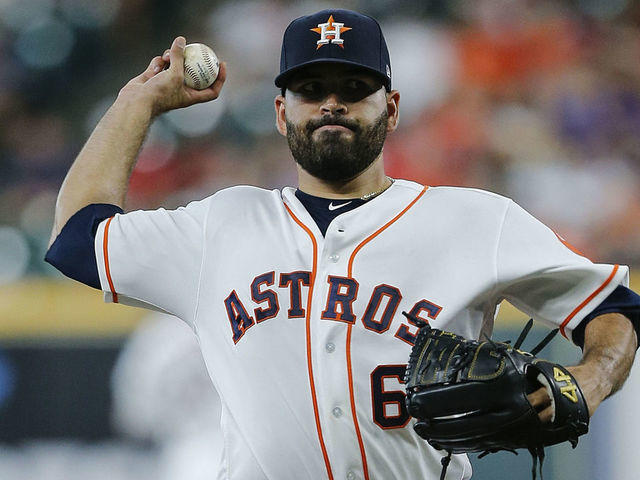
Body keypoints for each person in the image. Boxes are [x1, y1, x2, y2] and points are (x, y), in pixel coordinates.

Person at [45, 8, 639, 480]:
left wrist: (590, 379)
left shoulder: (475, 220)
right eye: (311, 88)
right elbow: (77, 238)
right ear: (281, 113)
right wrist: (138, 102)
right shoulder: (219, 224)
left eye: (355, 87)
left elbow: (613, 308)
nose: (332, 102)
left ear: (393, 108)